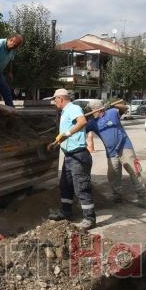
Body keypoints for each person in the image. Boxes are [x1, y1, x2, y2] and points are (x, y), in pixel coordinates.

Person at [47, 88, 96, 229]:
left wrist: (67, 133)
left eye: (55, 99)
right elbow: (65, 135)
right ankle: (66, 212)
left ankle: (89, 219)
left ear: (60, 99)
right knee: (65, 185)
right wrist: (56, 143)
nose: (54, 102)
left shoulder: (73, 108)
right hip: (69, 156)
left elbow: (82, 122)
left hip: (78, 155)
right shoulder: (65, 112)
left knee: (81, 187)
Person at [85, 99, 146, 203]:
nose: (91, 112)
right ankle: (117, 195)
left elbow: (124, 107)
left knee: (134, 170)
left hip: (124, 147)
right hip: (111, 152)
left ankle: (141, 193)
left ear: (97, 110)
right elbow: (81, 126)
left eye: (91, 110)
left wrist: (112, 105)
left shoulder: (112, 113)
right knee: (113, 175)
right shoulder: (92, 123)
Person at [0, 34, 23, 107]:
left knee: (6, 90)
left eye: (17, 46)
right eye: (15, 45)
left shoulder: (12, 49)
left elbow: (11, 60)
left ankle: (10, 108)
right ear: (10, 40)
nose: (15, 48)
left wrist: (10, 72)